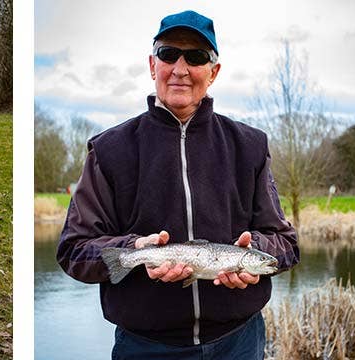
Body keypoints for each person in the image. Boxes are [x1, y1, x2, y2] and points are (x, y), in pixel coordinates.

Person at [57, 10, 299, 359]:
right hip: (144, 347)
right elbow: (74, 250)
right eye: (169, 54)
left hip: (239, 343)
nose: (181, 69)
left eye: (197, 57)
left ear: (213, 72)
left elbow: (286, 246)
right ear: (152, 65)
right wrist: (136, 248)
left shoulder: (250, 146)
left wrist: (251, 253)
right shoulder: (108, 150)